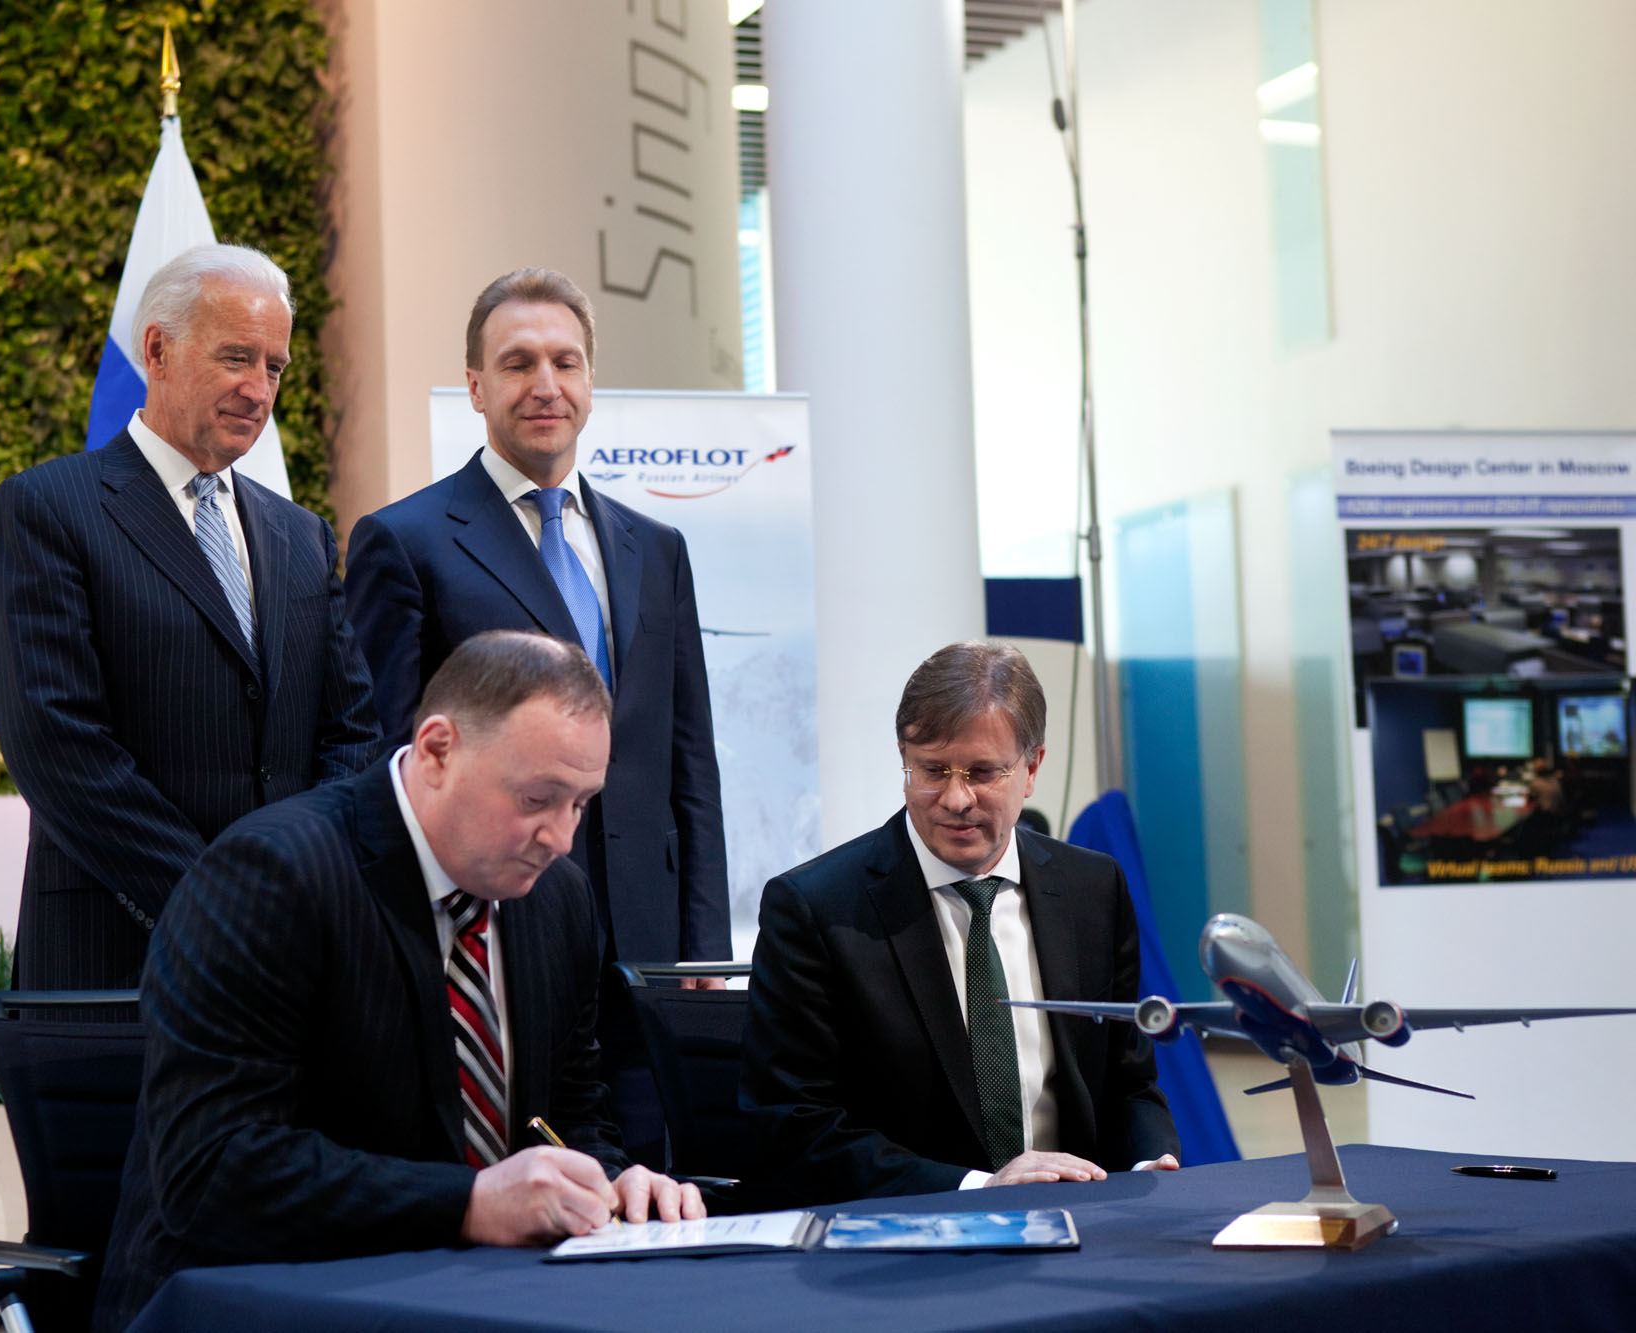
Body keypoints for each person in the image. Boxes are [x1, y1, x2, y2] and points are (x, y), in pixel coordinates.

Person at [93, 632, 701, 1329]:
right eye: (539, 797)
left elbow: (568, 1112)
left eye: (581, 804)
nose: (561, 837)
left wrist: (611, 1182)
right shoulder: (272, 875)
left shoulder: (556, 899)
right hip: (252, 1302)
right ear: (439, 749)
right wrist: (469, 1201)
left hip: (476, 1297)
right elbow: (212, 1172)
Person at [344, 268, 729, 1149]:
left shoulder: (656, 548)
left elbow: (688, 759)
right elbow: (383, 756)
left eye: (566, 360)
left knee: (641, 1186)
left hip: (646, 947)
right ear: (475, 387)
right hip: (491, 934)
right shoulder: (407, 541)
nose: (545, 384)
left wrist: (700, 939)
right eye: (517, 363)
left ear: (592, 379)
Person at [0, 243, 378, 990]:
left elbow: (352, 732)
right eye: (237, 357)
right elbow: (58, 746)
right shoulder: (49, 509)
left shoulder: (303, 536)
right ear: (158, 350)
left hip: (292, 957)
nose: (258, 389)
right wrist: (218, 899)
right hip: (119, 956)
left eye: (275, 367)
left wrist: (298, 882)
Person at [740, 641, 1180, 1207]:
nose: (954, 798)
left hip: (1078, 1225)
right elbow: (791, 1126)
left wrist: (1150, 1162)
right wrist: (978, 1188)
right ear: (903, 758)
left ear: (1032, 768)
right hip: (902, 1240)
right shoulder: (816, 908)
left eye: (981, 772)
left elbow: (1128, 1082)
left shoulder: (1093, 890)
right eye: (931, 770)